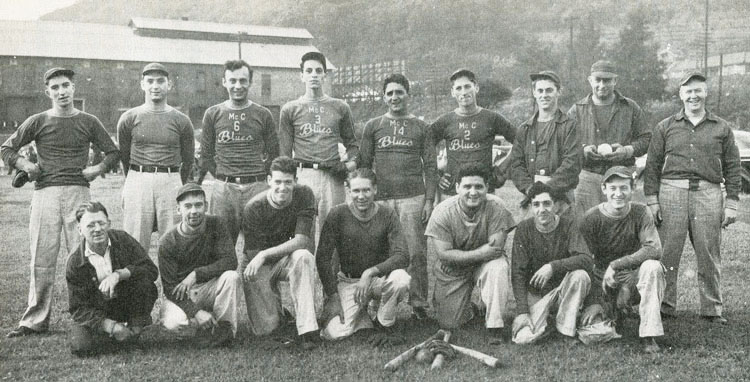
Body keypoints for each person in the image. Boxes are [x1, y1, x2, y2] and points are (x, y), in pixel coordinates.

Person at [2, 68, 119, 338]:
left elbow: (113, 152)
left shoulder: (89, 121)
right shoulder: (38, 120)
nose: (61, 92)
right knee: (41, 257)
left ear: (74, 88)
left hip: (79, 193)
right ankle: (35, 320)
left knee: (86, 257)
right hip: (45, 193)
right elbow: (6, 148)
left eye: (65, 86)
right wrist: (25, 164)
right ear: (48, 92)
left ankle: (92, 314)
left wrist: (97, 168)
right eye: (55, 88)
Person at [643, 72, 741, 324]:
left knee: (709, 252)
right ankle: (665, 306)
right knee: (667, 253)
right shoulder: (665, 126)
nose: (693, 95)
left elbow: (732, 165)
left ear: (705, 93)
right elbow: (652, 165)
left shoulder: (721, 127)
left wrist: (731, 203)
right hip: (671, 193)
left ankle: (711, 308)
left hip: (708, 193)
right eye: (688, 91)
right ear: (681, 95)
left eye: (698, 90)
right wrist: (652, 200)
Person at [358, 73, 438, 320]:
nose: (395, 97)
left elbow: (431, 166)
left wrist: (428, 200)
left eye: (399, 92)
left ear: (408, 95)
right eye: (390, 93)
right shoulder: (373, 126)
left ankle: (419, 303)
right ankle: (376, 301)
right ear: (384, 97)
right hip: (380, 200)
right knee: (379, 252)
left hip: (412, 197)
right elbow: (363, 164)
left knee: (415, 252)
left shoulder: (421, 126)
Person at [316, 169, 410, 346]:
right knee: (334, 333)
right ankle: (364, 318)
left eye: (366, 190)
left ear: (375, 189)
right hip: (350, 282)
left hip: (378, 280)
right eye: (356, 191)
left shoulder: (387, 213)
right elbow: (322, 258)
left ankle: (384, 324)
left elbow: (403, 255)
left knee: (401, 279)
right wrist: (333, 297)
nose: (361, 196)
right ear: (348, 190)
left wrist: (370, 272)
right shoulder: (337, 214)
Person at [576, 166, 665, 353]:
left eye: (624, 188)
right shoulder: (591, 218)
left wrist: (616, 265)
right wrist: (594, 301)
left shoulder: (641, 212)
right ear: (604, 189)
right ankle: (613, 313)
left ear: (633, 189)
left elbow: (654, 248)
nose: (618, 194)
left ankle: (649, 334)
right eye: (613, 188)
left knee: (653, 267)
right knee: (594, 335)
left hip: (632, 278)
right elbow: (583, 261)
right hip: (602, 282)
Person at [425, 163, 515, 341]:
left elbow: (495, 249)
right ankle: (473, 308)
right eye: (467, 186)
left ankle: (494, 327)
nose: (473, 192)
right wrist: (479, 253)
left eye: (479, 186)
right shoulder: (443, 211)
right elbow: (444, 254)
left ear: (487, 188)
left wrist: (459, 256)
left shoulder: (496, 206)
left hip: (481, 264)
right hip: (454, 269)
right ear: (457, 187)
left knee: (498, 267)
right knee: (449, 323)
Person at [279, 51, 358, 242]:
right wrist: (290, 180)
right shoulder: (290, 109)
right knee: (302, 235)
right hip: (304, 174)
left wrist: (347, 166)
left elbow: (353, 146)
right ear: (302, 76)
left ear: (325, 75)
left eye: (318, 70)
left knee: (332, 232)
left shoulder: (340, 107)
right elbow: (285, 153)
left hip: (332, 175)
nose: (313, 74)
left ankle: (331, 273)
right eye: (309, 70)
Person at [198, 59, 279, 246]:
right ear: (224, 82)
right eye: (232, 81)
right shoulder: (213, 113)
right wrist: (222, 176)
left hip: (256, 186)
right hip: (225, 189)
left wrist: (259, 177)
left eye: (243, 81)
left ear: (250, 82)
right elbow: (206, 155)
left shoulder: (263, 114)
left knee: (258, 246)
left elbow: (274, 154)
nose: (237, 86)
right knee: (220, 246)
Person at [241, 156, 319, 348]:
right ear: (269, 181)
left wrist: (265, 254)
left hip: (282, 257)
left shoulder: (305, 194)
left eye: (287, 182)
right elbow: (253, 254)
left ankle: (307, 330)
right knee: (266, 330)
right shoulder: (254, 207)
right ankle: (281, 315)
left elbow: (302, 240)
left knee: (304, 257)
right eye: (277, 181)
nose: (282, 187)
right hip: (258, 262)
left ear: (296, 181)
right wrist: (262, 256)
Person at [118, 63, 195, 251]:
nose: (155, 86)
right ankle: (136, 281)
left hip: (170, 179)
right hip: (138, 177)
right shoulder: (129, 117)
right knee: (134, 240)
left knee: (173, 240)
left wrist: (174, 180)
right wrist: (134, 179)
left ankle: (174, 281)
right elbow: (124, 155)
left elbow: (188, 158)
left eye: (160, 81)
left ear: (169, 85)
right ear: (142, 84)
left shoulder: (181, 120)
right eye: (150, 81)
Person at [65, 201, 158, 356]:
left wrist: (119, 275)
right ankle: (122, 335)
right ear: (80, 229)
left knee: (144, 283)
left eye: (101, 223)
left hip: (126, 304)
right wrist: (110, 326)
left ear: (108, 223)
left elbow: (151, 270)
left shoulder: (123, 240)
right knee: (82, 347)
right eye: (90, 225)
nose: (97, 229)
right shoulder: (75, 262)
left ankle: (134, 329)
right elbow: (78, 308)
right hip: (98, 311)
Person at [158, 183, 240, 348]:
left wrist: (196, 274)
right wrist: (196, 312)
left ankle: (224, 330)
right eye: (188, 206)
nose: (194, 211)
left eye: (198, 205)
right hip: (184, 294)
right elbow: (170, 288)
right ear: (178, 209)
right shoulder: (168, 241)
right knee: (175, 325)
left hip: (210, 286)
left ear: (206, 206)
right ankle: (203, 323)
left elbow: (231, 261)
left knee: (231, 277)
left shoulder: (217, 224)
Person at [511, 182, 591, 343]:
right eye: (536, 204)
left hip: (563, 291)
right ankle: (550, 324)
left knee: (580, 275)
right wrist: (522, 311)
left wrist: (552, 267)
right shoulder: (524, 229)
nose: (542, 210)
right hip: (536, 294)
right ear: (531, 207)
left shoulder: (569, 224)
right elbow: (517, 273)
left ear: (556, 205)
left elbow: (586, 259)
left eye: (547, 203)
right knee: (523, 339)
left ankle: (565, 330)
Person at [568, 60, 651, 215]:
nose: (601, 85)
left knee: (620, 226)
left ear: (615, 80)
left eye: (606, 80)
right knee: (586, 225)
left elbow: (646, 138)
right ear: (590, 80)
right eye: (597, 80)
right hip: (587, 177)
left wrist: (627, 150)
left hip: (621, 177)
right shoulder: (577, 110)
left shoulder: (630, 107)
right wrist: (583, 150)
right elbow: (565, 144)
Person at [429, 69, 515, 202]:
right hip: (452, 192)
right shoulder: (445, 121)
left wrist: (502, 167)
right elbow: (424, 146)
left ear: (476, 88)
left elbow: (520, 140)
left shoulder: (492, 118)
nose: (463, 92)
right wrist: (436, 175)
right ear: (453, 92)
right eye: (458, 88)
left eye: (467, 86)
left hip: (483, 191)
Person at [511, 71, 580, 208]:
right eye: (540, 90)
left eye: (549, 90)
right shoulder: (524, 128)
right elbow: (516, 164)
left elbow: (572, 163)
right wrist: (529, 188)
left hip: (561, 198)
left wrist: (548, 187)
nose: (544, 95)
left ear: (558, 91)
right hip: (531, 197)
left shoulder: (570, 126)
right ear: (534, 93)